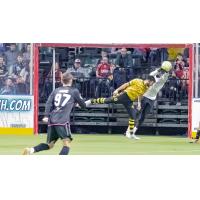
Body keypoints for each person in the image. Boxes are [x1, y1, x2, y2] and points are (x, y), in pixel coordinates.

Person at [23, 72, 86, 155]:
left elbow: (49, 103)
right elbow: (83, 105)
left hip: (52, 119)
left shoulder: (56, 90)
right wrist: (78, 104)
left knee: (50, 145)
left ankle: (30, 150)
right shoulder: (74, 91)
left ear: (62, 81)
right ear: (70, 80)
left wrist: (46, 115)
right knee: (67, 143)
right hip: (63, 121)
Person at [85, 76, 156, 139]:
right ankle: (91, 101)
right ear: (149, 81)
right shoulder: (137, 80)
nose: (152, 85)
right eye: (152, 83)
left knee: (133, 115)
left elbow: (140, 95)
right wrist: (117, 90)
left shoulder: (146, 88)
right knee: (107, 100)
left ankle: (130, 134)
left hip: (129, 101)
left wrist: (139, 104)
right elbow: (126, 84)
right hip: (124, 96)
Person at [126, 61, 172, 138]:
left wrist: (167, 71)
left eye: (162, 72)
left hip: (152, 99)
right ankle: (128, 131)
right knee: (136, 113)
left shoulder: (162, 80)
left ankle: (133, 132)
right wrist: (159, 69)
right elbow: (151, 74)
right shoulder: (152, 77)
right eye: (161, 72)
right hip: (144, 96)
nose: (161, 73)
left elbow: (165, 76)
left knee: (143, 117)